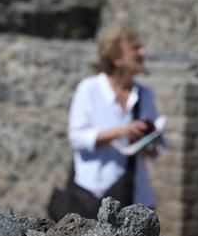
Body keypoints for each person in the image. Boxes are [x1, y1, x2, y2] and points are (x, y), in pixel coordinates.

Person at [59, 27, 161, 219]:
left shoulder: (145, 95)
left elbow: (155, 149)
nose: (143, 52)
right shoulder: (89, 89)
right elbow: (77, 138)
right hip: (92, 194)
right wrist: (121, 132)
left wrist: (147, 145)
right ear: (116, 58)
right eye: (135, 48)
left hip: (136, 196)